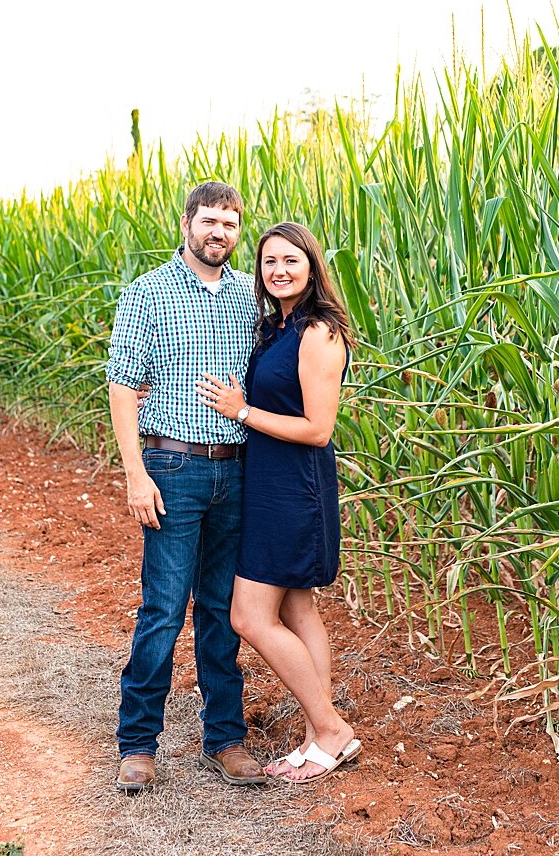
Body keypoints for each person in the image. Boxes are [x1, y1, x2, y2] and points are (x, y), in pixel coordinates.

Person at [106, 181, 266, 792]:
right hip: (173, 468)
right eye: (208, 221)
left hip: (238, 468)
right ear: (186, 223)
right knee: (165, 608)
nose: (218, 233)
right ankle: (139, 744)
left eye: (229, 223)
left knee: (222, 611)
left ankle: (223, 739)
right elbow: (123, 387)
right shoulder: (149, 292)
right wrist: (135, 474)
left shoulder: (249, 299)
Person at [196, 221, 357, 785]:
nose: (279, 270)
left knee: (248, 616)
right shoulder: (276, 327)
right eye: (268, 262)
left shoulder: (319, 332)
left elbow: (318, 428)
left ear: (312, 266)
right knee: (296, 608)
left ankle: (331, 728)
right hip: (268, 483)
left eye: (290, 260)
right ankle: (322, 736)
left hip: (295, 488)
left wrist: (239, 411)